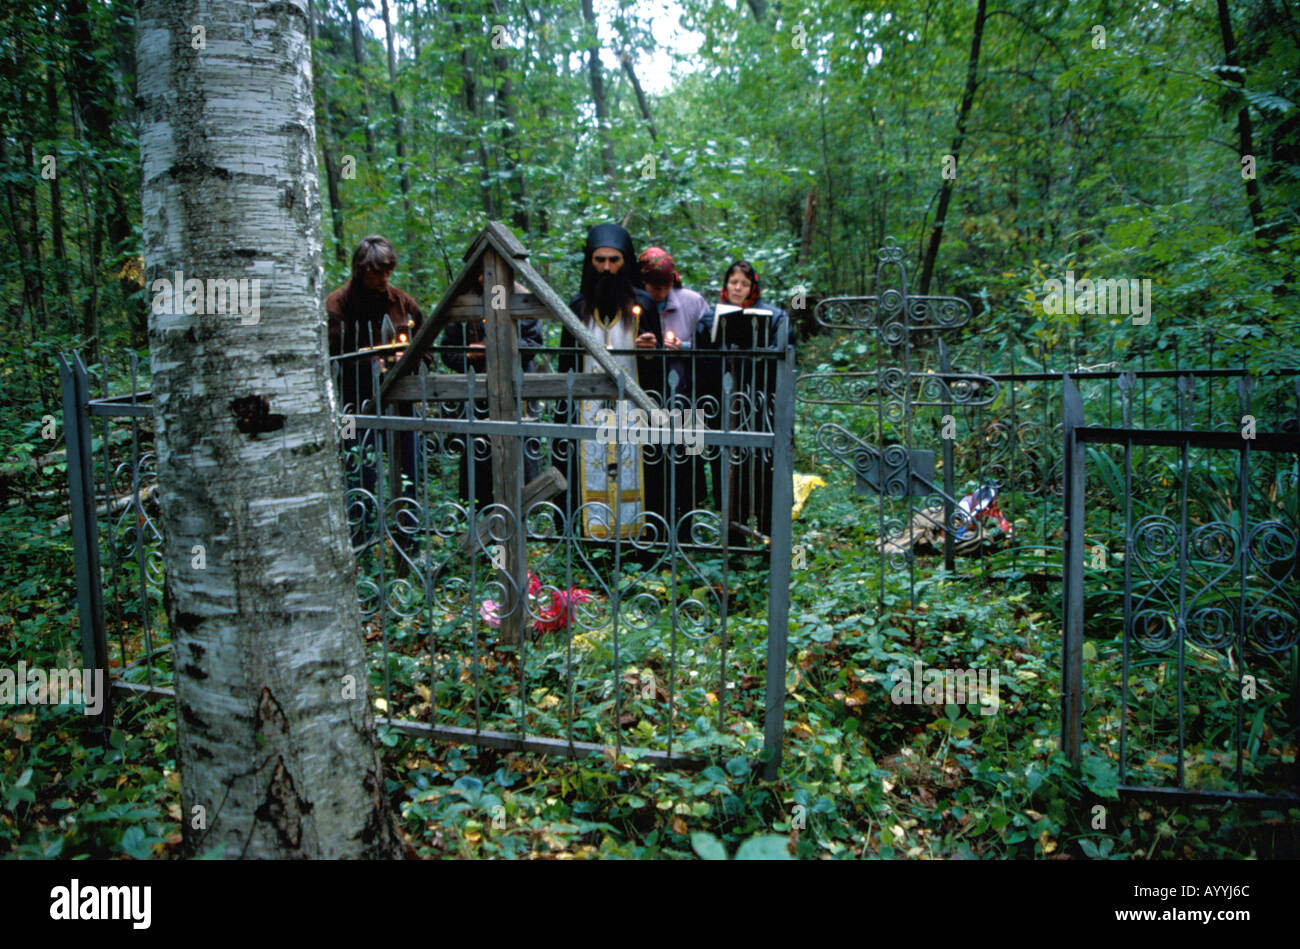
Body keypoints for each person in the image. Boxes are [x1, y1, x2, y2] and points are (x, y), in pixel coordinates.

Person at [558, 223, 664, 540]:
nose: (606, 268)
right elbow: (566, 364)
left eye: (614, 260)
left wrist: (649, 351)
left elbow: (657, 370)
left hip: (632, 410)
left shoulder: (643, 305)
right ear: (590, 262)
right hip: (587, 411)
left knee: (636, 472)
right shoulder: (577, 308)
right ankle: (588, 540)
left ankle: (637, 541)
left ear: (625, 262)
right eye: (599, 260)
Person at [326, 236, 426, 547]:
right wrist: (371, 358)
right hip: (352, 408)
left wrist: (407, 359)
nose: (383, 279)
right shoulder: (336, 306)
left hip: (400, 404)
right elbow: (329, 360)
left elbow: (425, 348)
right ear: (360, 270)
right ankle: (361, 543)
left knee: (408, 471)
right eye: (376, 273)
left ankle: (407, 539)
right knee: (357, 473)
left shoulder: (403, 303)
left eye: (387, 272)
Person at [698, 260, 793, 542]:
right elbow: (702, 356)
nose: (737, 288)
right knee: (726, 464)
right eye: (733, 282)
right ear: (725, 285)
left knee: (763, 465)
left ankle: (766, 532)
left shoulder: (774, 316)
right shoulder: (709, 317)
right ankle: (733, 533)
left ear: (753, 287)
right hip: (723, 402)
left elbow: (785, 352)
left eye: (744, 283)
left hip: (760, 402)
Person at [439, 283, 545, 512]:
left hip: (517, 395)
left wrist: (500, 347)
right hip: (476, 395)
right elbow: (447, 352)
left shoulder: (523, 298)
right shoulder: (464, 302)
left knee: (520, 457)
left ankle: (524, 518)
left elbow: (534, 344)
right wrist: (469, 354)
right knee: (478, 460)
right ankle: (481, 518)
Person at [638, 246, 713, 540]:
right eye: (653, 286)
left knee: (686, 464)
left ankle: (686, 528)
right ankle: (650, 529)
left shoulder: (692, 302)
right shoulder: (635, 302)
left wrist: (682, 346)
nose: (659, 293)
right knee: (651, 461)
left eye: (665, 286)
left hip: (686, 395)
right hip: (646, 398)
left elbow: (712, 347)